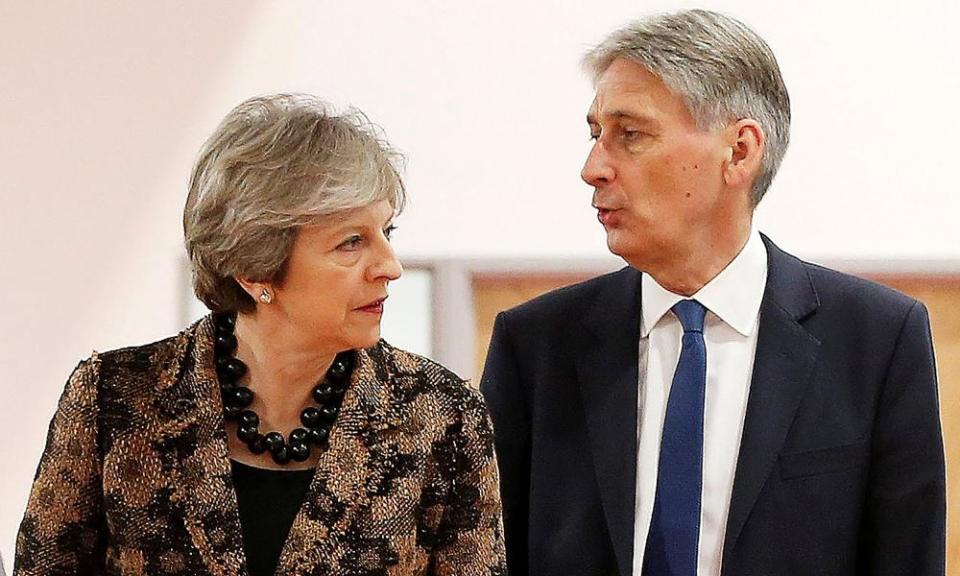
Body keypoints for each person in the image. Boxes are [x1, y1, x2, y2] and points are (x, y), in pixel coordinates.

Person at [481, 9, 945, 576]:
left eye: (630, 135)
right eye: (594, 134)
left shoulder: (877, 340)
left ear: (741, 151)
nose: (592, 167)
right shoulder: (534, 346)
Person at [15, 94, 506, 576]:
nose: (390, 267)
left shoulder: (443, 415)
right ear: (255, 270)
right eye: (351, 242)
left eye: (387, 233)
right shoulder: (114, 398)